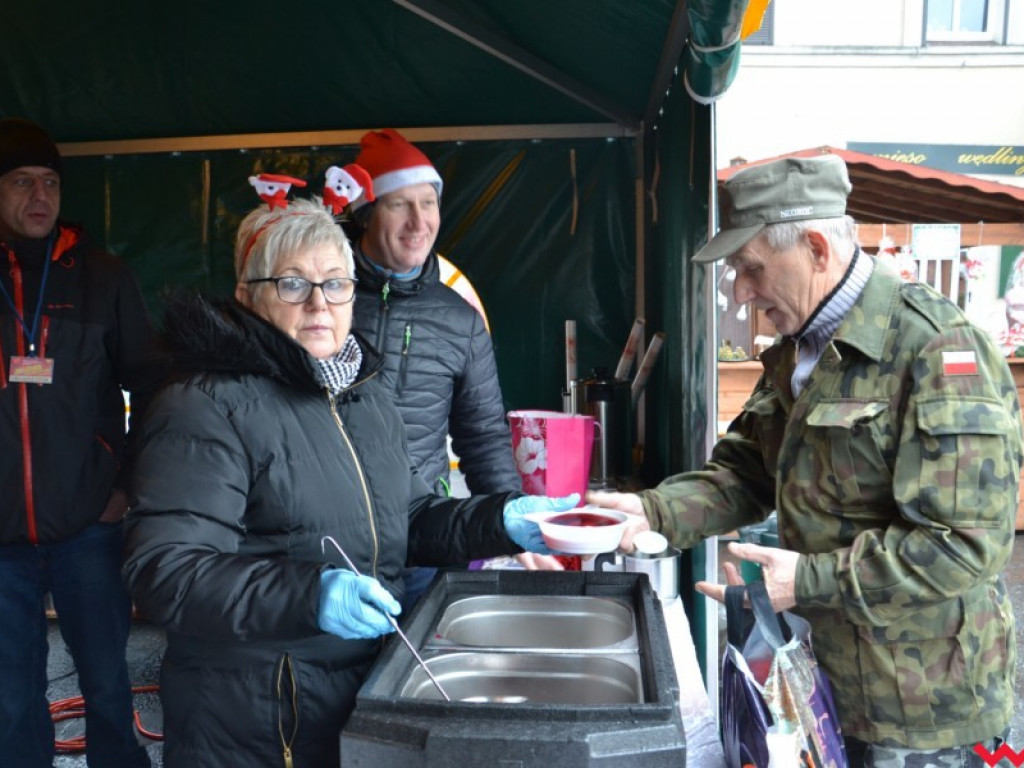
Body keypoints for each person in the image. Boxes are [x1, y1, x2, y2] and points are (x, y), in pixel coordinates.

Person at [121, 196, 582, 768]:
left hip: (358, 694)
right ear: (247, 297)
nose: (319, 302)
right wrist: (309, 594)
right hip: (258, 719)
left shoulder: (363, 394)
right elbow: (167, 571)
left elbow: (407, 520)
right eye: (293, 284)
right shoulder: (205, 404)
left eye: (336, 284)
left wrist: (503, 520)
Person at [590, 154, 1021, 766]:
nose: (740, 291)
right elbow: (746, 472)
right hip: (825, 686)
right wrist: (651, 512)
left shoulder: (937, 348)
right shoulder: (799, 351)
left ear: (816, 247)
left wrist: (805, 582)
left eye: (751, 268)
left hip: (921, 711)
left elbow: (962, 546)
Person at [345, 128, 561, 605]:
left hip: (423, 540)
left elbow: (482, 435)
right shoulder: (322, 300)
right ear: (365, 212)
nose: (419, 221)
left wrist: (510, 518)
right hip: (331, 545)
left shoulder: (459, 319)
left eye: (429, 202)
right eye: (400, 204)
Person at [0, 117, 155, 767]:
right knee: (10, 699)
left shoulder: (103, 276)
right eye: (20, 180)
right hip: (1, 539)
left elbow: (152, 388)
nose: (40, 195)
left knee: (108, 687)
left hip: (90, 527)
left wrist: (123, 488)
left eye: (50, 181)